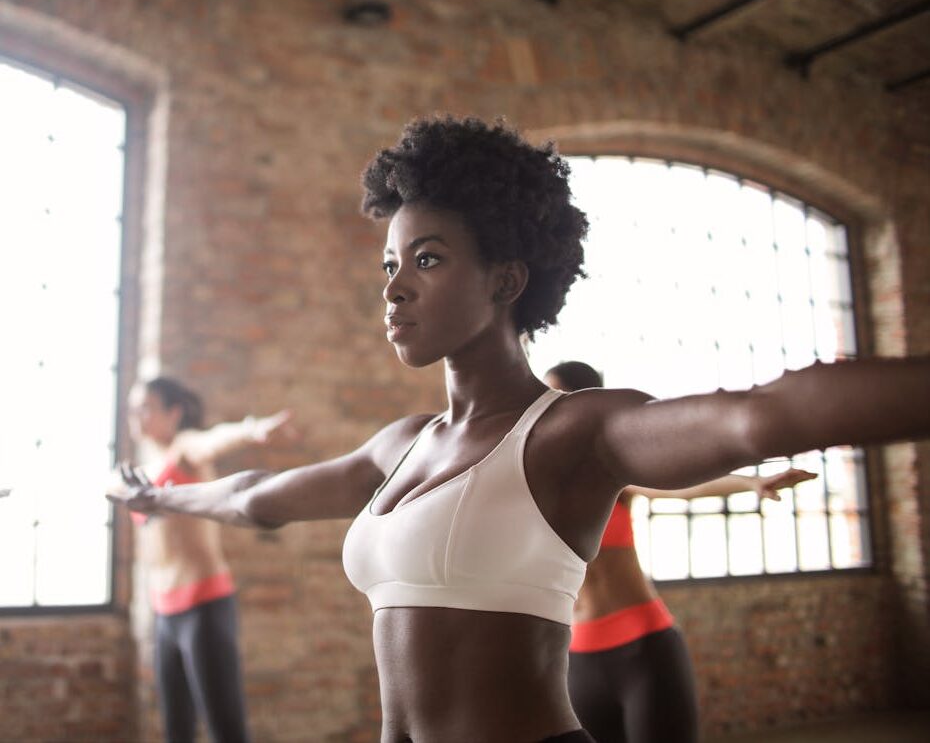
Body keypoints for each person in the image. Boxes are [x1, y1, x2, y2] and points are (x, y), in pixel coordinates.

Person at [109, 116, 930, 743]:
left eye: (427, 260)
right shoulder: (402, 445)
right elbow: (258, 495)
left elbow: (761, 416)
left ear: (505, 278)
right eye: (389, 265)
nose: (395, 289)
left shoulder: (574, 432)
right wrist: (157, 494)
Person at [544, 361, 816, 743]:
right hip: (578, 661)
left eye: (558, 395)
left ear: (583, 402)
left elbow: (680, 484)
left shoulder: (612, 475)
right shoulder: (540, 483)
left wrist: (748, 482)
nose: (549, 406)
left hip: (643, 651)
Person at [124, 376, 295, 743]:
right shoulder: (143, 466)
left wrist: (252, 429)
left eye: (146, 409)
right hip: (164, 613)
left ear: (174, 413)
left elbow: (211, 440)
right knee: (176, 732)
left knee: (226, 731)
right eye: (132, 409)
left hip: (203, 607)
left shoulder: (183, 449)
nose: (137, 417)